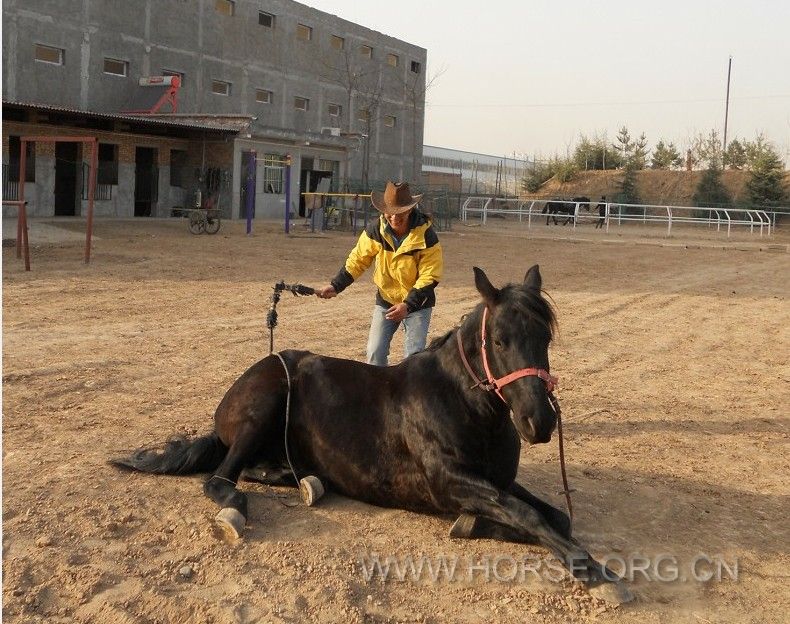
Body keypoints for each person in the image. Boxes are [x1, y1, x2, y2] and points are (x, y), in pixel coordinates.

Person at [316, 181, 443, 366]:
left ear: (409, 210)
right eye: (389, 212)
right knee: (375, 353)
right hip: (386, 301)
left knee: (414, 358)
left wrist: (408, 305)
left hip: (417, 304)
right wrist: (336, 285)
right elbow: (358, 260)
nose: (394, 218)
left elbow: (429, 276)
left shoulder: (426, 235)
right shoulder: (375, 230)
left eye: (400, 213)